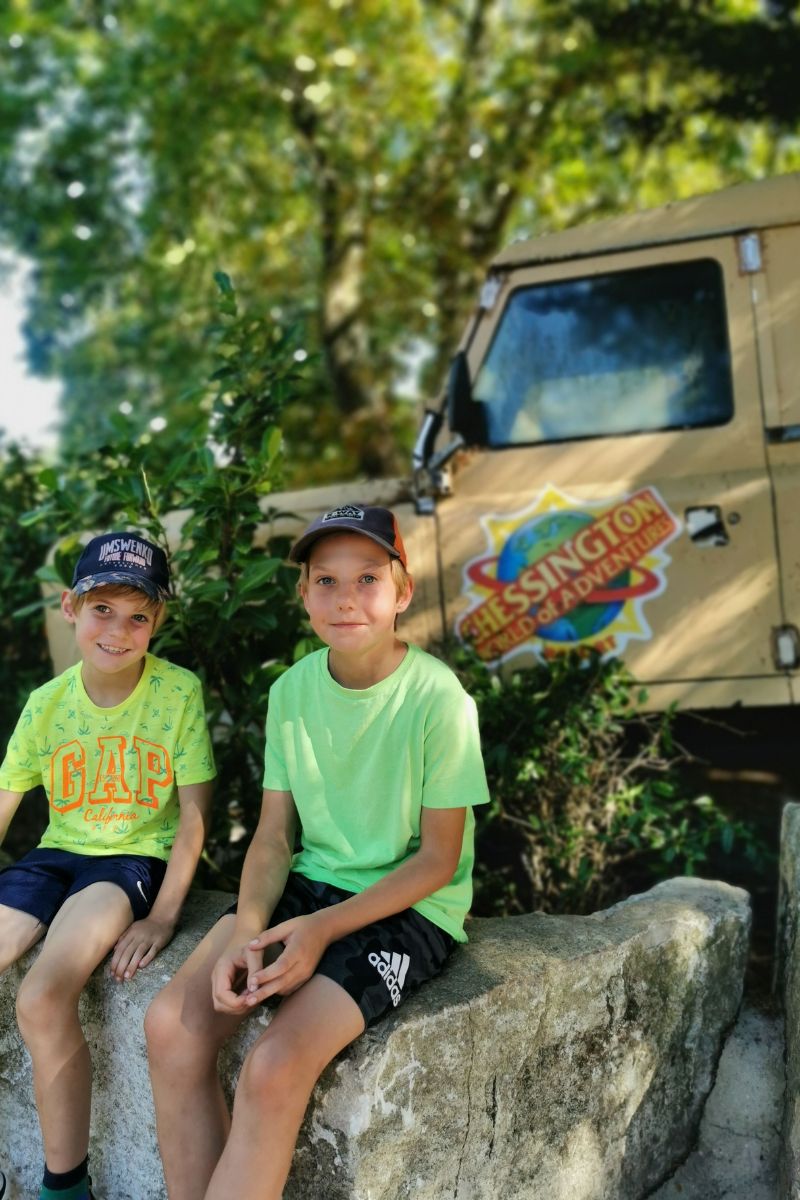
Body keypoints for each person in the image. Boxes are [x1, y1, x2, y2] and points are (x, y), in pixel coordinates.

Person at [145, 503, 490, 1200]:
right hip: (313, 885)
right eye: (325, 581)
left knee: (273, 1067)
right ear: (303, 594)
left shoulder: (437, 698)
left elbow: (439, 860)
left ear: (402, 591)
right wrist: (247, 927)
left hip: (410, 908)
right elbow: (274, 836)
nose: (345, 599)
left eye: (367, 578)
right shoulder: (292, 692)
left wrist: (320, 930)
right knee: (171, 1028)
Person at [0, 532, 215, 1200]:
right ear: (70, 607)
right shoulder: (48, 704)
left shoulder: (177, 693)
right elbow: (6, 800)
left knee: (41, 996)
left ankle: (65, 1187)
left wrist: (166, 915)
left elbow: (194, 817)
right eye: (101, 609)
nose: (118, 630)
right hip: (54, 855)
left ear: (159, 622)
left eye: (138, 616)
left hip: (124, 862)